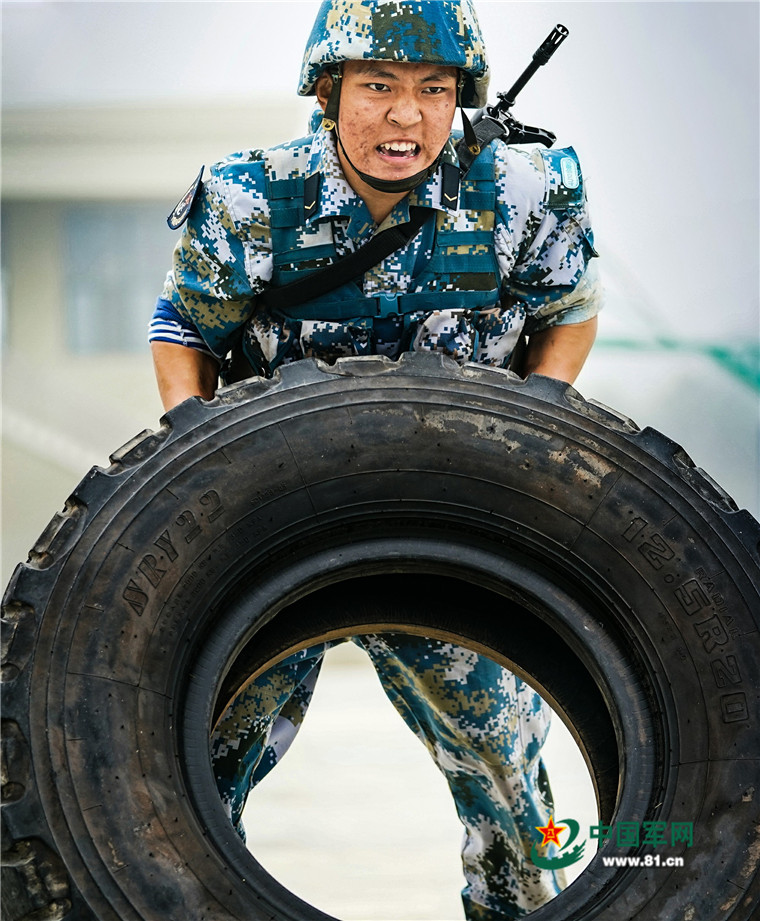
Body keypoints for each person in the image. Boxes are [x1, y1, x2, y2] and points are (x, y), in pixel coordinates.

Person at [148, 1, 602, 918]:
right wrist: (200, 473)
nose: (406, 116)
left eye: (433, 90)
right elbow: (184, 330)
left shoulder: (521, 191)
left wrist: (529, 433)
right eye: (379, 86)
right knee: (194, 762)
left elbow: (571, 312)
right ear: (328, 92)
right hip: (275, 521)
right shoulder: (250, 197)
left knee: (506, 774)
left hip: (448, 522)